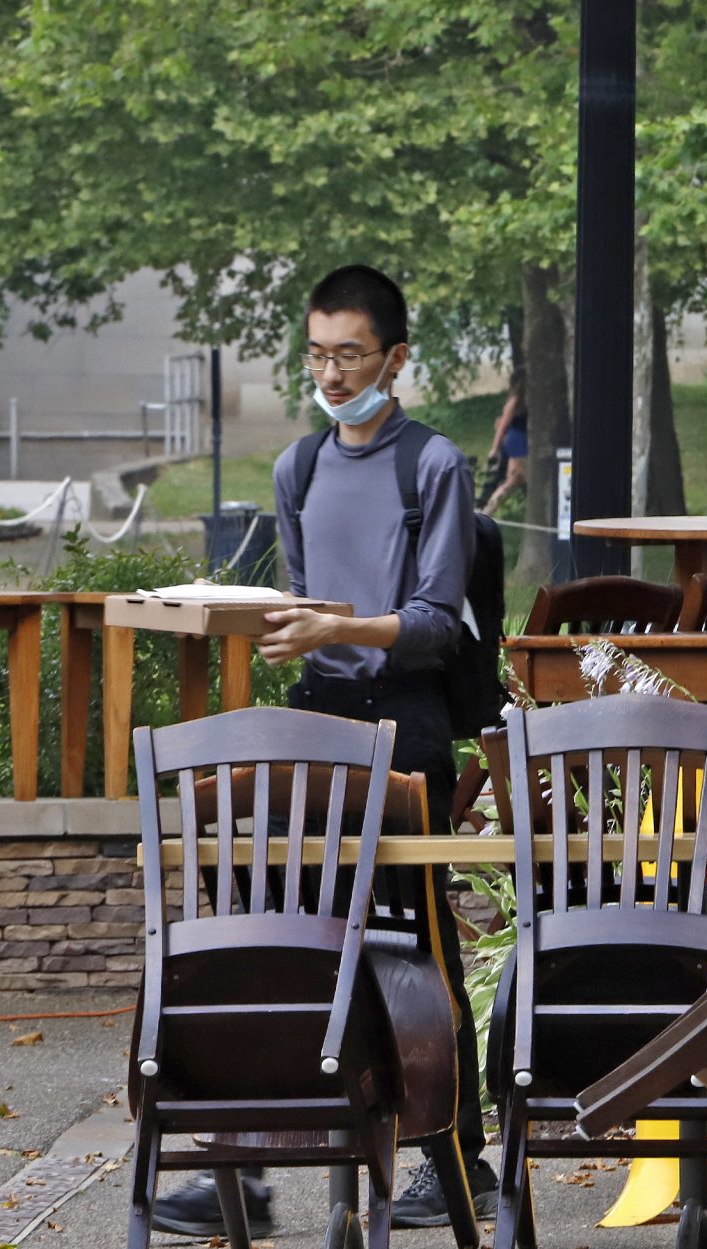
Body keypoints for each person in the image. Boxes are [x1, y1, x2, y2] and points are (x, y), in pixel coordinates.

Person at [150, 265, 498, 1236]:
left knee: (421, 943)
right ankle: (246, 1170)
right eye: (318, 354)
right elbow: (301, 602)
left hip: (408, 717)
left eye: (350, 354)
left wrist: (333, 624)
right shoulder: (296, 468)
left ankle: (461, 1162)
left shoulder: (431, 465)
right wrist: (282, 627)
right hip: (317, 711)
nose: (333, 374)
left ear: (395, 357)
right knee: (276, 935)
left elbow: (435, 623)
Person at [481, 378, 527, 516]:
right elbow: (502, 426)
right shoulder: (516, 402)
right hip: (517, 444)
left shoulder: (527, 402)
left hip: (522, 443)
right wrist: (494, 449)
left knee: (514, 480)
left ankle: (486, 511)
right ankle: (485, 512)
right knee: (512, 480)